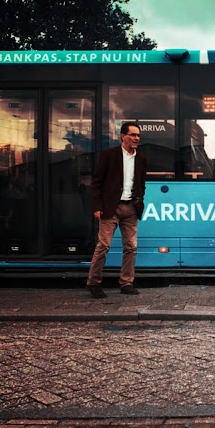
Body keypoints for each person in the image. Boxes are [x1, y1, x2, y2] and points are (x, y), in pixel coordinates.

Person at [86, 122, 147, 298]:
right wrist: (97, 207)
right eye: (132, 135)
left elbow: (141, 184)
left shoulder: (141, 158)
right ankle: (93, 283)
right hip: (110, 208)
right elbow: (96, 183)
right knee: (103, 245)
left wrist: (139, 201)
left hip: (131, 208)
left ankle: (126, 283)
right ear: (122, 136)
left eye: (138, 136)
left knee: (131, 247)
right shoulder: (109, 155)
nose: (136, 138)